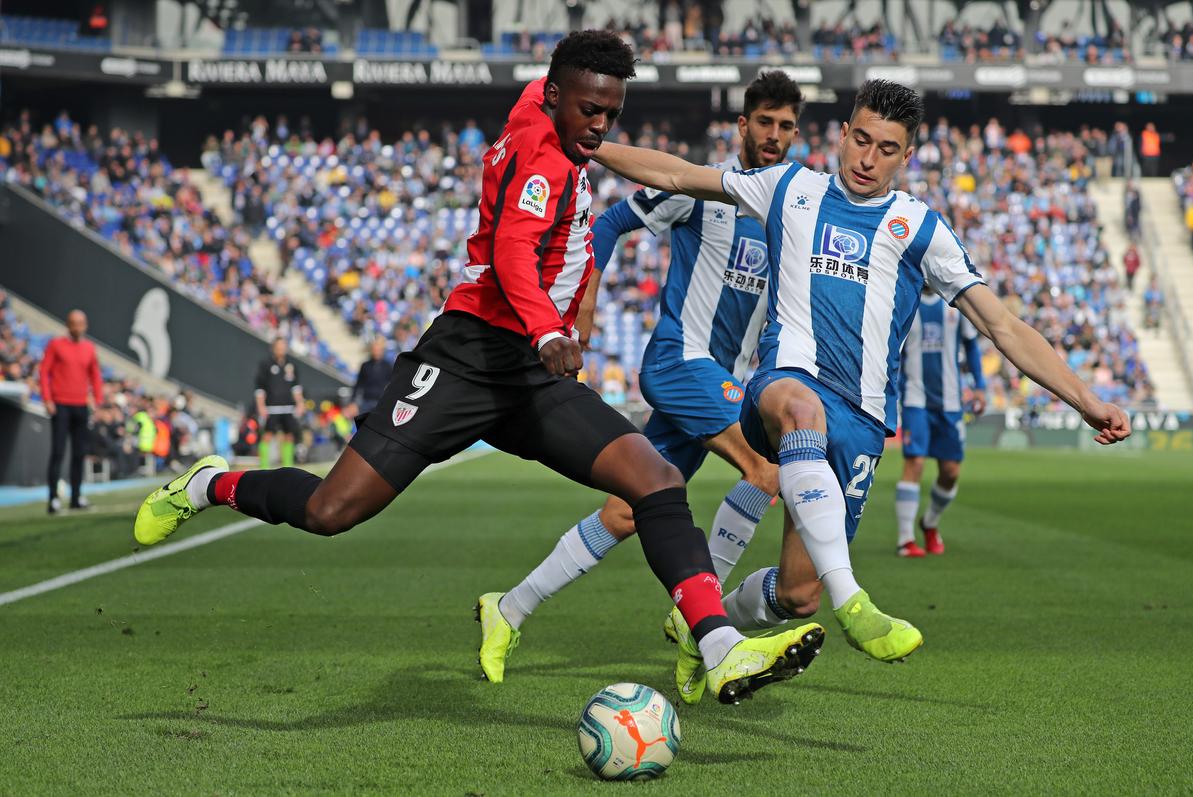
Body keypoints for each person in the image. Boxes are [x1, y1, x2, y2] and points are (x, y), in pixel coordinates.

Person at [133, 31, 820, 707]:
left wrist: (555, 324)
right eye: (589, 110)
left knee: (656, 479)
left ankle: (719, 642)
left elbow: (563, 140)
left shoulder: (537, 103)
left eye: (610, 112)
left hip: (531, 373)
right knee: (330, 509)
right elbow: (512, 250)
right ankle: (209, 483)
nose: (599, 126)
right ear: (555, 97)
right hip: (467, 357)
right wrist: (551, 324)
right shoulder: (544, 160)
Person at [592, 78, 1131, 671]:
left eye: (888, 149)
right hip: (785, 385)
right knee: (802, 409)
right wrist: (586, 144)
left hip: (863, 419)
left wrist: (1085, 398)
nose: (868, 160)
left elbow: (1002, 326)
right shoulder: (788, 187)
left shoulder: (919, 228)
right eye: (862, 141)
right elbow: (675, 174)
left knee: (798, 594)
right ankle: (853, 601)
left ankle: (704, 624)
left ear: (908, 155)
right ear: (843, 135)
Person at [480, 72, 809, 702]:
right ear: (742, 126)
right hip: (680, 363)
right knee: (765, 468)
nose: (774, 136)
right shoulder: (701, 192)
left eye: (786, 125)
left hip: (722, 380)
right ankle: (704, 625)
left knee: (629, 509)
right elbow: (604, 227)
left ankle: (510, 607)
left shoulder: (787, 211)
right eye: (763, 122)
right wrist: (582, 308)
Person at [894, 285, 986, 558]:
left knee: (951, 472)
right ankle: (905, 539)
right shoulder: (904, 304)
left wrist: (980, 385)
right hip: (915, 399)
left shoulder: (955, 306)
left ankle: (930, 523)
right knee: (915, 462)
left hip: (950, 402)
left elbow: (971, 346)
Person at [40, 309, 103, 513]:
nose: (77, 326)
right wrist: (47, 399)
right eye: (73, 323)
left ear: (85, 325)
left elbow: (95, 375)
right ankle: (53, 499)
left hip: (81, 406)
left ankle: (76, 497)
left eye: (80, 323)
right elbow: (44, 372)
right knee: (58, 452)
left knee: (79, 453)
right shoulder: (56, 345)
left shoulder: (89, 348)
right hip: (60, 405)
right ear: (68, 325)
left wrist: (98, 399)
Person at [255, 338, 305, 468]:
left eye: (284, 346)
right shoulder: (265, 365)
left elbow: (296, 388)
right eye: (279, 346)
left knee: (289, 436)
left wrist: (300, 403)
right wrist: (261, 406)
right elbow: (260, 389)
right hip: (272, 408)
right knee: (267, 435)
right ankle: (264, 467)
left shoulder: (291, 365)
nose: (282, 349)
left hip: (288, 408)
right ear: (274, 348)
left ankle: (288, 467)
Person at [351, 337, 392, 416]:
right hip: (366, 401)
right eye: (374, 349)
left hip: (381, 402)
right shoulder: (365, 365)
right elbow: (358, 384)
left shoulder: (388, 366)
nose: (376, 352)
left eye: (378, 349)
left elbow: (392, 384)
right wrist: (353, 402)